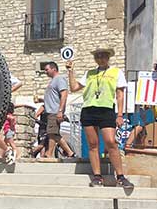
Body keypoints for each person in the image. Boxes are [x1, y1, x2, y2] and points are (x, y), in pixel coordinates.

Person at [67, 47, 133, 188]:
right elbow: (74, 88)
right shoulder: (90, 73)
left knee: (111, 142)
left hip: (106, 109)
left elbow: (120, 94)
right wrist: (70, 71)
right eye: (97, 56)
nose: (100, 58)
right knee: (93, 144)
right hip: (89, 109)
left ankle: (120, 176)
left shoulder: (116, 72)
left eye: (103, 56)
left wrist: (120, 114)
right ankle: (97, 176)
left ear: (108, 57)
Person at [42, 61, 76, 158]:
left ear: (54, 69)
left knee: (52, 133)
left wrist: (60, 111)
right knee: (54, 133)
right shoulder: (53, 81)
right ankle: (70, 152)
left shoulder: (59, 79)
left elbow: (64, 94)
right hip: (51, 111)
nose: (45, 72)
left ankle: (49, 153)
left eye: (47, 69)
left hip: (55, 111)